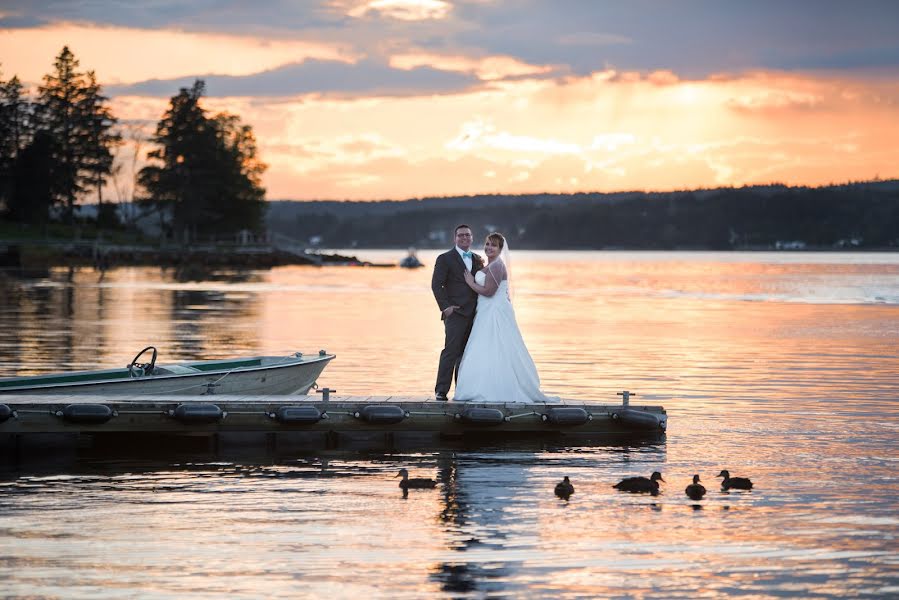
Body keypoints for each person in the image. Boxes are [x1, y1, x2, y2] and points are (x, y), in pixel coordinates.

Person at [453, 232, 556, 404]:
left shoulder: (497, 266)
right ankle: (480, 386)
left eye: (493, 245)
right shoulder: (489, 265)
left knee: (497, 348)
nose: (489, 248)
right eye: (487, 244)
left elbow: (489, 291)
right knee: (484, 349)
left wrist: (471, 282)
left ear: (500, 249)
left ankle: (495, 390)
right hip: (486, 311)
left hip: (495, 313)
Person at [431, 224, 485, 401]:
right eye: (461, 235)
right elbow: (436, 284)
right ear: (455, 238)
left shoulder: (477, 259)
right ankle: (441, 391)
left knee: (468, 353)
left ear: (472, 238)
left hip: (475, 314)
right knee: (451, 351)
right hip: (455, 313)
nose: (464, 238)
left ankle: (462, 391)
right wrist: (446, 307)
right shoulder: (445, 258)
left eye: (467, 235)